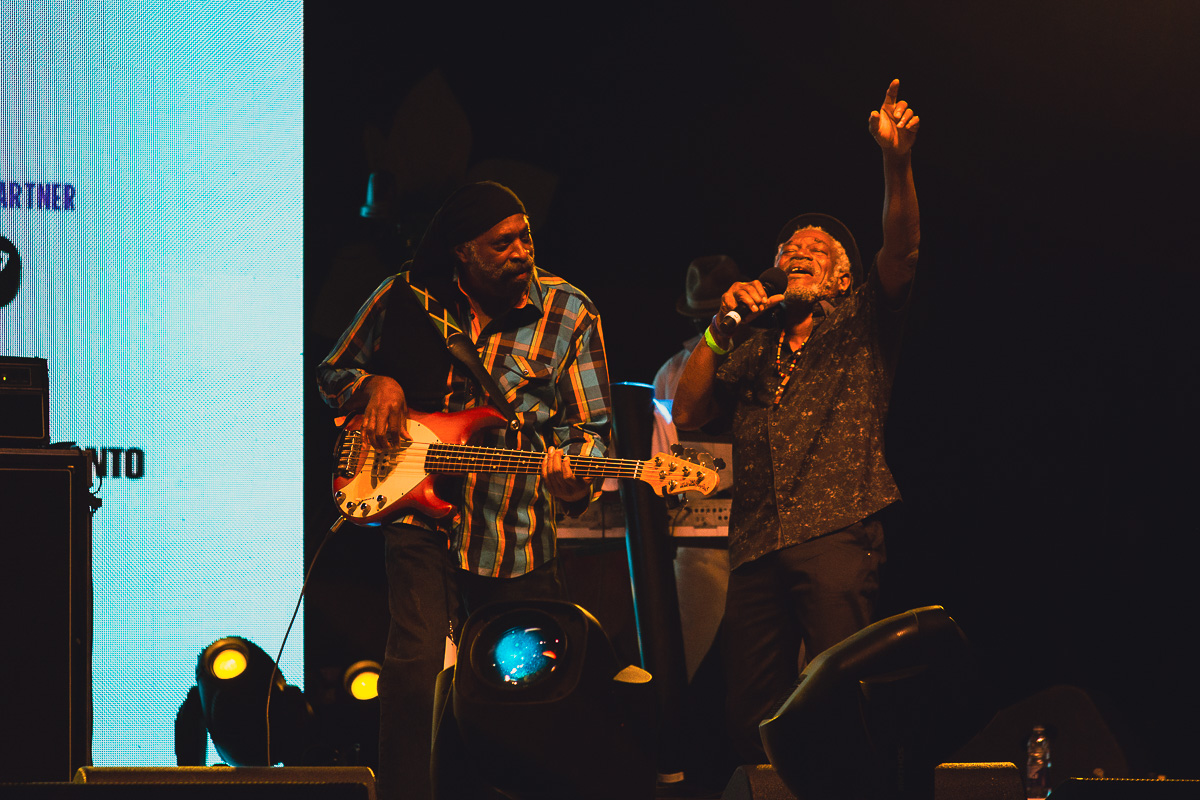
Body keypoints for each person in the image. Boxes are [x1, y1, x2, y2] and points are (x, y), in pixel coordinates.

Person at [316, 181, 612, 800]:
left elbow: (590, 435)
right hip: (421, 517)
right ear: (462, 253)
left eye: (525, 236)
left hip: (517, 532)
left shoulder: (571, 314)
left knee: (523, 686)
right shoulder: (405, 297)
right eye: (501, 242)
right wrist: (375, 386)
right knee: (416, 671)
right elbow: (332, 373)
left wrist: (573, 482)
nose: (521, 251)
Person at [672, 79, 921, 764]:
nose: (801, 249)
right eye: (790, 247)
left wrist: (895, 162)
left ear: (841, 280)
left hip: (836, 530)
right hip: (754, 546)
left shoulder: (861, 324)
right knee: (751, 712)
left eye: (819, 248)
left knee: (846, 692)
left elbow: (900, 252)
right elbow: (688, 411)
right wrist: (721, 327)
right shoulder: (751, 342)